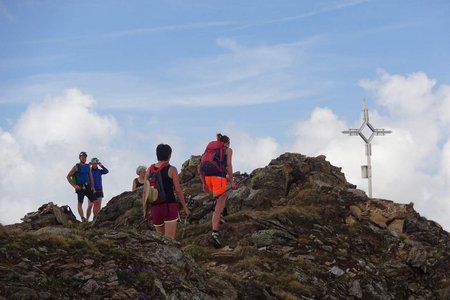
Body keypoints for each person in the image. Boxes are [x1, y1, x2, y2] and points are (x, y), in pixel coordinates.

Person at [198, 133, 236, 248]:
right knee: (218, 205)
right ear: (227, 143)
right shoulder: (227, 150)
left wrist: (204, 183)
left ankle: (219, 216)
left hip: (208, 178)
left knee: (225, 193)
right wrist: (233, 181)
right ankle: (215, 233)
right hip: (218, 178)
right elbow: (228, 165)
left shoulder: (209, 150)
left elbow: (199, 167)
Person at [144, 144, 190, 239]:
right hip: (169, 206)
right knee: (169, 241)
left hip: (155, 208)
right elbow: (178, 190)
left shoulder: (149, 170)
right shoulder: (172, 169)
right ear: (169, 155)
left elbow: (145, 191)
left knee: (161, 242)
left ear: (157, 154)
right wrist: (185, 207)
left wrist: (145, 210)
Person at [67, 151, 95, 222]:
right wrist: (74, 185)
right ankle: (83, 218)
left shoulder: (88, 166)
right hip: (80, 187)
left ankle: (91, 218)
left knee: (93, 202)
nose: (84, 158)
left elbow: (90, 176)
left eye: (85, 157)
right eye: (82, 157)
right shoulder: (76, 166)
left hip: (88, 186)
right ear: (79, 158)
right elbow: (68, 176)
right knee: (80, 203)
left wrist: (92, 186)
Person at [87, 157, 109, 221]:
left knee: (98, 206)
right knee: (90, 205)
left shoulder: (99, 171)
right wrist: (88, 165)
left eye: (95, 163)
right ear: (92, 164)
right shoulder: (89, 170)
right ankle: (86, 219)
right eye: (93, 163)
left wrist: (101, 165)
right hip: (91, 190)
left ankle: (95, 219)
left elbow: (106, 171)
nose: (94, 165)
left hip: (99, 190)